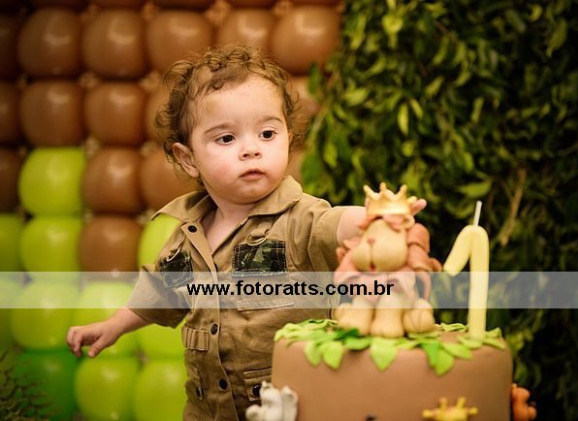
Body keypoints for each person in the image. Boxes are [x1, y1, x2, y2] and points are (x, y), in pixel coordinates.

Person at [67, 45, 367, 421]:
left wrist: (376, 218)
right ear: (188, 158)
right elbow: (161, 291)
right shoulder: (190, 235)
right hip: (207, 409)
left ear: (289, 137)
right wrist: (114, 325)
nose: (251, 150)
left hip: (289, 408)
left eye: (267, 133)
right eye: (226, 139)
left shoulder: (297, 219)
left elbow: (334, 224)